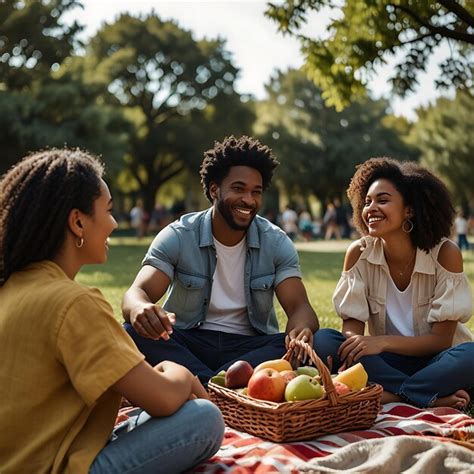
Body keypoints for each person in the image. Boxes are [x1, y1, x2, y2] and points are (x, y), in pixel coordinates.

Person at [0, 149, 224, 473]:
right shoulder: (73, 303)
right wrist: (183, 374)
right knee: (204, 418)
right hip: (53, 467)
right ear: (78, 222)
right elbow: (162, 397)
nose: (115, 223)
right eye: (107, 210)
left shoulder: (11, 288)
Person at [122, 135, 319, 384]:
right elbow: (137, 292)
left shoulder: (276, 241)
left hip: (250, 349)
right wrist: (140, 308)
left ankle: (202, 383)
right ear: (214, 190)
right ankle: (228, 386)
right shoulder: (179, 235)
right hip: (190, 342)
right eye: (238, 189)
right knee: (129, 332)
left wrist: (301, 330)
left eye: (255, 192)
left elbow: (300, 307)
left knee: (323, 342)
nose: (248, 199)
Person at [315, 158, 474, 409]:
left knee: (471, 355)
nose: (371, 208)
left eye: (383, 200)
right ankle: (420, 395)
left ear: (409, 210)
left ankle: (388, 394)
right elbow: (351, 332)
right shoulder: (359, 253)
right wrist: (353, 350)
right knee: (324, 340)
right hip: (386, 362)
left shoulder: (445, 253)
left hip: (437, 358)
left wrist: (383, 341)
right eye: (367, 201)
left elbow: (441, 340)